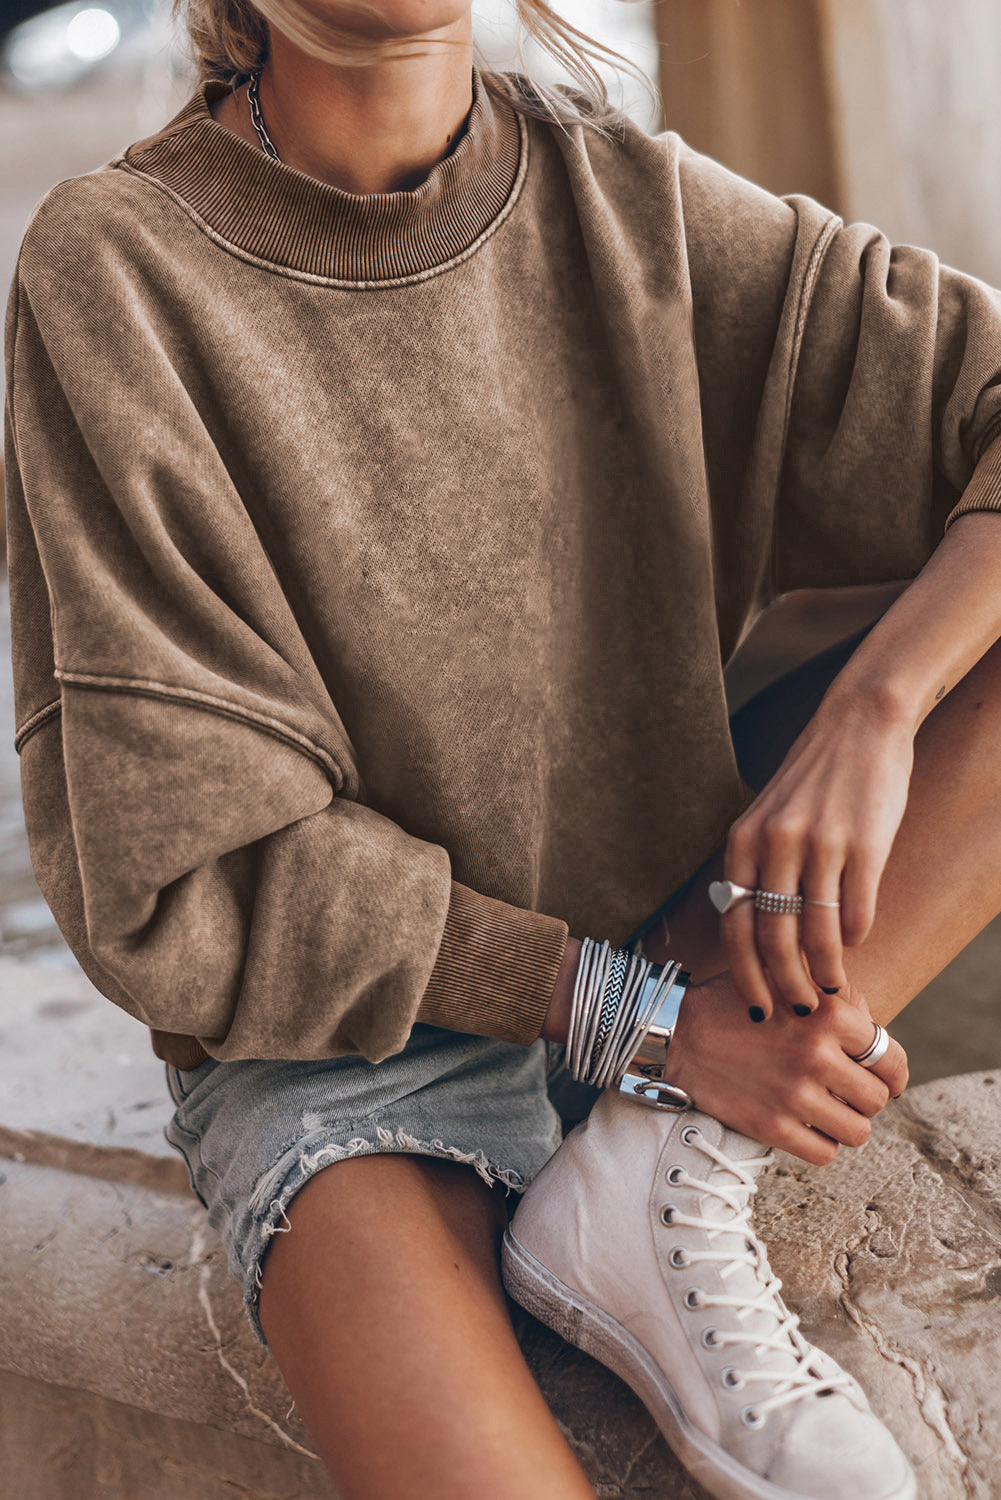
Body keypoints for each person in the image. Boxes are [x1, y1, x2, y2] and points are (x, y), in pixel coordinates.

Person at [4, 0, 1001, 1496]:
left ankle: (658, 1167)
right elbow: (188, 871)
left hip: (688, 947)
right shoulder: (116, 267)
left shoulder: (623, 197)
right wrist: (645, 1025)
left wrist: (879, 706)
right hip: (352, 1063)